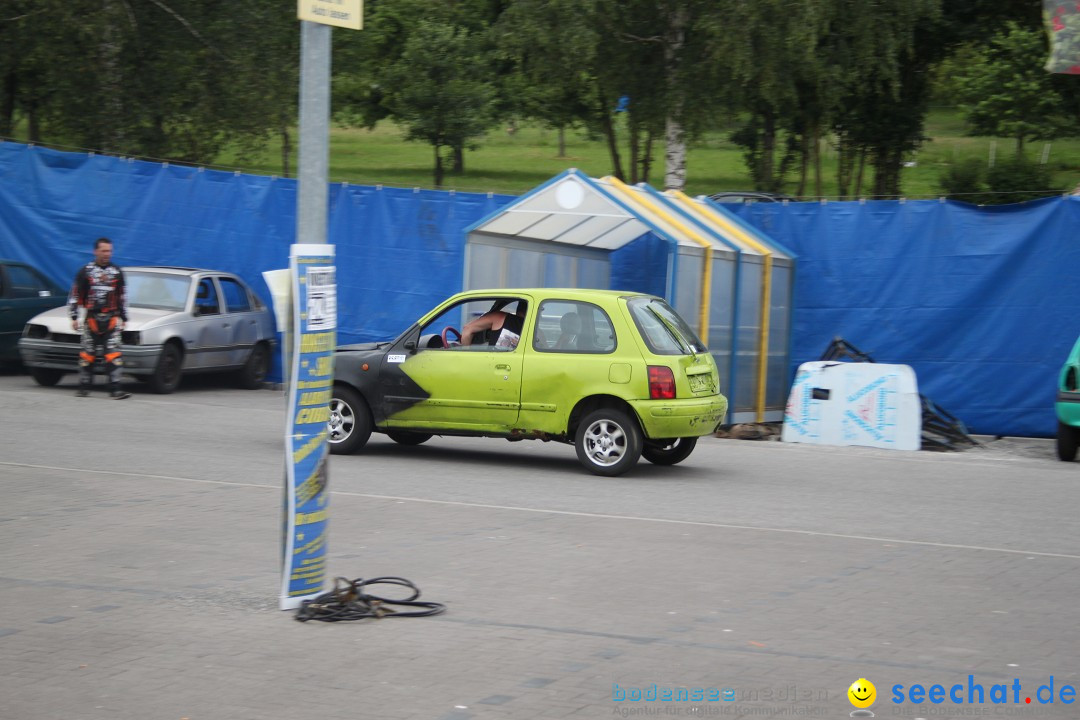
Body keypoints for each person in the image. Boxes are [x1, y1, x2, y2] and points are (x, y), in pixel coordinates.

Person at [69, 237, 130, 399]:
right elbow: (75, 294)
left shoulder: (117, 272)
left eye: (109, 251)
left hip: (112, 319)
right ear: (95, 251)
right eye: (103, 251)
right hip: (91, 319)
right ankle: (83, 387)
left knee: (114, 355)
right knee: (87, 355)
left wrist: (124, 317)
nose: (106, 254)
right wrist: (74, 316)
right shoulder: (86, 271)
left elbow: (122, 296)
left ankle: (115, 389)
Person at [461, 301, 527, 349]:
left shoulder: (499, 317)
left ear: (518, 308)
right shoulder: (534, 330)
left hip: (493, 364)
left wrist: (465, 355)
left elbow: (467, 329)